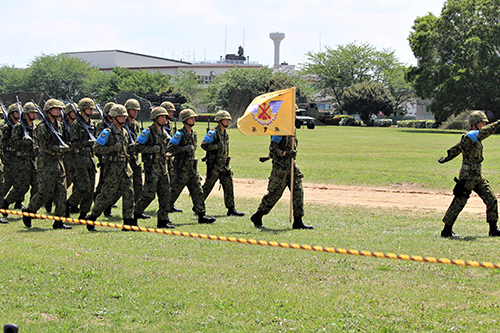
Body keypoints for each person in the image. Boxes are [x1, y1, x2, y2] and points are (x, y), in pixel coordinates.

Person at [438, 110, 500, 238]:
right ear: (475, 124)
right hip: (467, 177)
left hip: (477, 176)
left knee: (492, 199)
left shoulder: (473, 136)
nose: (484, 125)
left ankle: (493, 230)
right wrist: (498, 123)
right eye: (482, 123)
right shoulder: (471, 135)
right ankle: (446, 230)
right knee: (459, 202)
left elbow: (456, 149)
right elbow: (484, 132)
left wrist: (446, 158)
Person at [250, 114, 313, 229]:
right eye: (294, 113)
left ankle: (298, 221)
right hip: (280, 168)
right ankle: (258, 216)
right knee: (275, 194)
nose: (295, 116)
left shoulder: (291, 128)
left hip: (291, 166)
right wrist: (285, 153)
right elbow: (273, 148)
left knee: (298, 192)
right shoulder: (279, 129)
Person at [84, 104, 136, 231]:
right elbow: (96, 148)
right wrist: (112, 148)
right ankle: (92, 217)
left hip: (124, 168)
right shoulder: (107, 132)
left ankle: (128, 222)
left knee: (129, 193)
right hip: (112, 169)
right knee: (106, 195)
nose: (124, 119)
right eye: (121, 116)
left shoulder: (124, 131)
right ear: (113, 117)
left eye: (124, 116)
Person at [22, 99, 72, 229]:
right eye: (56, 109)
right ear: (49, 110)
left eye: (60, 109)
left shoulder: (59, 125)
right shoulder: (42, 127)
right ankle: (29, 211)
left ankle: (59, 221)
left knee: (62, 193)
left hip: (58, 163)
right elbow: (44, 147)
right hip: (46, 164)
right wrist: (59, 148)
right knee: (45, 192)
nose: (59, 111)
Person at [166, 109, 216, 224]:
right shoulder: (179, 134)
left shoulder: (193, 133)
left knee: (198, 191)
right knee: (174, 192)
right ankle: (164, 215)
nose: (193, 120)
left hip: (192, 168)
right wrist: (183, 148)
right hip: (181, 169)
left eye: (194, 118)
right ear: (184, 120)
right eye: (191, 118)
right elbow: (170, 149)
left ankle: (201, 215)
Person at [134, 107, 174, 228]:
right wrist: (151, 150)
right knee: (149, 195)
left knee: (165, 194)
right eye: (161, 117)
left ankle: (163, 220)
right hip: (152, 168)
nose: (164, 119)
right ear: (155, 118)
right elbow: (137, 147)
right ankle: (134, 215)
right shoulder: (148, 131)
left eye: (165, 117)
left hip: (163, 167)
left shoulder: (164, 131)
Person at [201, 110, 244, 217]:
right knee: (208, 186)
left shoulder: (225, 133)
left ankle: (231, 208)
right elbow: (204, 145)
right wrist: (216, 147)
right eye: (225, 120)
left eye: (228, 120)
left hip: (224, 165)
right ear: (220, 121)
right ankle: (198, 206)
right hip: (214, 165)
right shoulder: (213, 132)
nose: (228, 122)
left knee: (228, 185)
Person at [2, 102, 38, 214]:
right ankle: (6, 202)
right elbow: (12, 143)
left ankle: (32, 209)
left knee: (37, 185)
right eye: (31, 112)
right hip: (19, 160)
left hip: (31, 159)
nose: (34, 115)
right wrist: (23, 142)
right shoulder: (17, 127)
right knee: (21, 187)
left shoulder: (34, 126)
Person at [66, 98, 96, 221]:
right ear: (83, 109)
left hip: (90, 158)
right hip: (79, 159)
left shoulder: (91, 124)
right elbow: (73, 142)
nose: (92, 110)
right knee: (83, 187)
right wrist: (87, 143)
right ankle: (67, 205)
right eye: (90, 108)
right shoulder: (76, 124)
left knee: (91, 189)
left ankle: (84, 214)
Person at [124, 99, 148, 219]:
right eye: (133, 110)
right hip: (126, 158)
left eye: (137, 111)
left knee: (139, 185)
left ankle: (138, 210)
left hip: (135, 159)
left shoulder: (136, 124)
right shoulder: (123, 124)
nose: (135, 113)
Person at [160, 101, 182, 213]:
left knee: (172, 182)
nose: (171, 114)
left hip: (170, 157)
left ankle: (170, 204)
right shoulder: (160, 125)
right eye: (169, 111)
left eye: (172, 112)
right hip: (161, 158)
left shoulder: (169, 125)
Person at [94, 101, 115, 217]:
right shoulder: (102, 126)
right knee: (103, 183)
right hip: (105, 158)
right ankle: (97, 200)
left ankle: (107, 208)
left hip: (115, 160)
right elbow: (99, 143)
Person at [0, 103, 21, 214]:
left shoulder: (20, 126)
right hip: (9, 157)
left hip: (19, 157)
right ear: (11, 114)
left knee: (20, 181)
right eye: (16, 113)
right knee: (8, 182)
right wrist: (14, 138)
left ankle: (18, 201)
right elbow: (4, 142)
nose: (18, 115)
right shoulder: (6, 127)